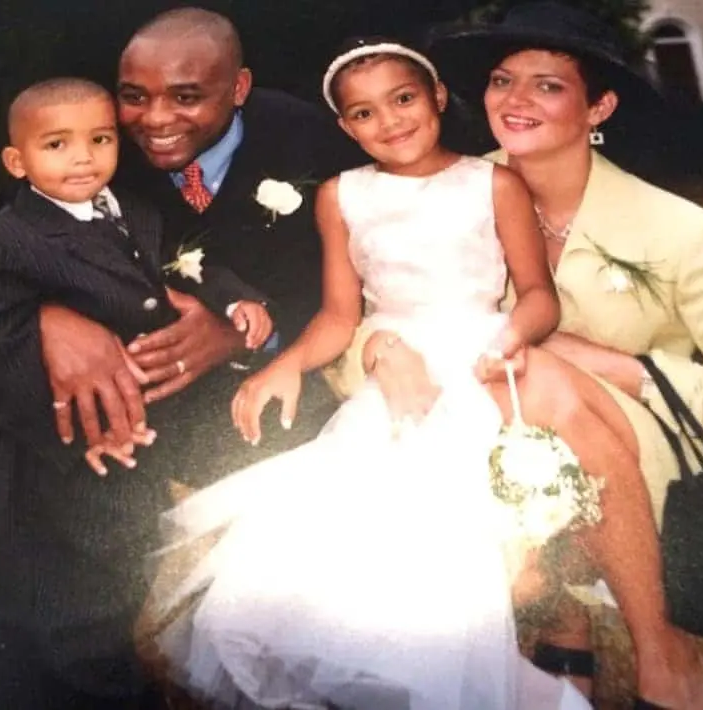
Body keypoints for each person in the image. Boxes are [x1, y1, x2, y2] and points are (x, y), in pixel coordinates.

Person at [0, 5, 362, 658]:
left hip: (232, 390)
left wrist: (242, 337)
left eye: (186, 97)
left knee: (338, 464)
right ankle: (31, 653)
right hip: (89, 399)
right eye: (135, 96)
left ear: (238, 88)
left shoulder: (306, 136)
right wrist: (50, 324)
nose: (154, 120)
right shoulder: (83, 140)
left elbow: (353, 272)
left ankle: (302, 654)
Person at [140, 37, 591, 710]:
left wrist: (508, 339)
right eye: (364, 113)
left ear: (437, 98)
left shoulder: (491, 183)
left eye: (404, 99)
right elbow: (337, 315)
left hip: (479, 364)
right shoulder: (342, 196)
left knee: (441, 546)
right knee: (319, 551)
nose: (390, 121)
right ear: (345, 126)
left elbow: (538, 294)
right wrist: (284, 366)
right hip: (390, 378)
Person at [341, 2, 703, 707]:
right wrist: (382, 346)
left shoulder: (674, 229)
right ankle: (557, 618)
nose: (516, 100)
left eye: (548, 85)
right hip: (483, 418)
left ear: (598, 104)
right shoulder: (446, 187)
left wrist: (624, 368)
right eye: (505, 80)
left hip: (636, 438)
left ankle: (663, 652)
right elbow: (377, 310)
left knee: (539, 379)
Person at [0, 76, 283, 709]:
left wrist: (237, 298)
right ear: (17, 161)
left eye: (100, 139)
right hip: (68, 461)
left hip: (140, 444)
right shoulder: (4, 241)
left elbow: (182, 269)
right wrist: (84, 432)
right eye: (57, 144)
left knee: (123, 578)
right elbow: (2, 351)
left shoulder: (132, 211)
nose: (83, 157)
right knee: (68, 612)